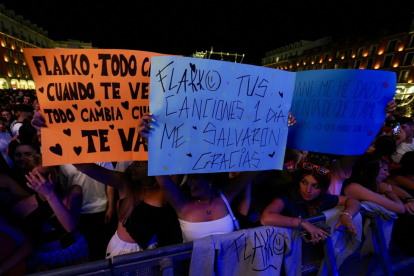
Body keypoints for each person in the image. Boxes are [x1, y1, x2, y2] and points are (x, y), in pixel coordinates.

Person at [138, 112, 259, 242]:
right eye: (188, 177)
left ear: (209, 179)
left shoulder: (225, 196)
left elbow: (256, 169)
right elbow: (163, 180)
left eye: (194, 177)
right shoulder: (182, 204)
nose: (189, 183)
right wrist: (148, 140)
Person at [72, 161, 183, 259]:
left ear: (153, 166)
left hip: (149, 253)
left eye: (138, 164)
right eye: (133, 163)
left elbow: (180, 166)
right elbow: (87, 168)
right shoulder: (125, 183)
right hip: (120, 250)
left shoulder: (164, 190)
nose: (132, 167)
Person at [12, 154, 88, 271]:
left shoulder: (73, 191)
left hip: (75, 252)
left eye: (49, 175)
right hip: (44, 260)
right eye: (38, 177)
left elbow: (71, 226)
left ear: (57, 172)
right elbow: (23, 241)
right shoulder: (21, 206)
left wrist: (50, 194)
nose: (44, 181)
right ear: (28, 178)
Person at [260, 162, 360, 244]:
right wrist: (303, 223)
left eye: (315, 186)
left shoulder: (323, 198)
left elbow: (352, 201)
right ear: (298, 181)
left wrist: (346, 215)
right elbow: (266, 218)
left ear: (322, 189)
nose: (308, 190)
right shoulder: (288, 195)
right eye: (304, 182)